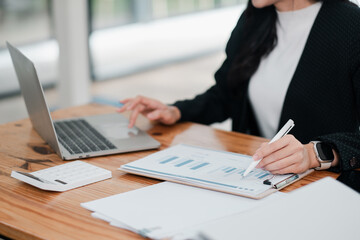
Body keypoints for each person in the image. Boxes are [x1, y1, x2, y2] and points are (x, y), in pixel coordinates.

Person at [118, 0, 360, 175]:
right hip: (259, 177)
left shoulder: (350, 25)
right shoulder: (255, 19)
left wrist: (314, 154)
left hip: (322, 184)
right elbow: (226, 94)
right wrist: (176, 111)